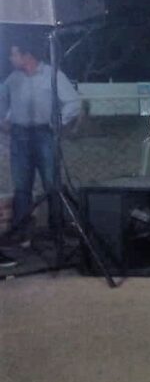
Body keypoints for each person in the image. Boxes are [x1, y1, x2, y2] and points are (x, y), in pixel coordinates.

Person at [0, 37, 82, 267]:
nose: (11, 58)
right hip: (20, 136)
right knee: (22, 187)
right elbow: (2, 101)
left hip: (45, 134)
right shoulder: (13, 79)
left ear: (27, 55)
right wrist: (4, 120)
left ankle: (58, 231)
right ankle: (21, 233)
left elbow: (73, 102)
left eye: (14, 54)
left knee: (52, 184)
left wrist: (58, 123)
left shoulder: (52, 75)